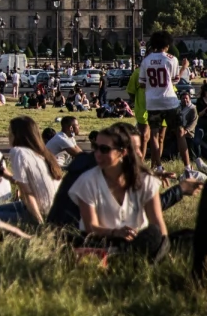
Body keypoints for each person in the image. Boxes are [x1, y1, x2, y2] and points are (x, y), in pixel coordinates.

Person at [68, 123, 169, 262]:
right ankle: (126, 259)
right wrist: (116, 233)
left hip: (138, 239)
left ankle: (128, 258)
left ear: (122, 152)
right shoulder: (87, 181)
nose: (97, 154)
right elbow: (91, 227)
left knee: (162, 235)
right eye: (95, 148)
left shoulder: (146, 181)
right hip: (102, 241)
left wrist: (164, 249)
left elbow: (158, 223)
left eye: (104, 149)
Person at [7, 117, 62, 225]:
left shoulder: (18, 152)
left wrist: (40, 222)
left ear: (17, 135)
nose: (8, 136)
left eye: (10, 132)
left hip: (38, 210)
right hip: (55, 209)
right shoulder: (43, 153)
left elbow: (28, 193)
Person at [139, 31, 179, 171]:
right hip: (169, 101)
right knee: (179, 133)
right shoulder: (171, 59)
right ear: (167, 45)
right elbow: (174, 80)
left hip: (152, 103)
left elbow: (142, 83)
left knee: (154, 136)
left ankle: (159, 167)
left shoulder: (146, 60)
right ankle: (187, 166)